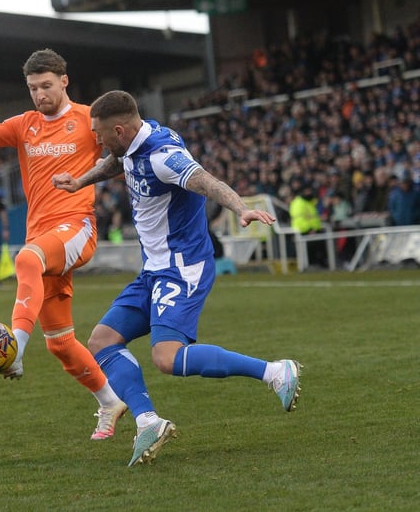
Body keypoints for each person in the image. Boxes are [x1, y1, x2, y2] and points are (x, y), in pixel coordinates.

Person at [52, 90, 302, 467]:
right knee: (102, 341)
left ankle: (274, 372)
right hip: (153, 268)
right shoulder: (133, 143)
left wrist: (242, 208)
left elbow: (206, 181)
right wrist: (81, 181)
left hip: (182, 268)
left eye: (100, 135)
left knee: (165, 357)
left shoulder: (163, 156)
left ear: (119, 129)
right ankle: (148, 421)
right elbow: (114, 164)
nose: (97, 142)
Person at [0, 49, 127, 440]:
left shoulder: (88, 120)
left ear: (64, 81)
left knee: (25, 259)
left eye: (46, 85)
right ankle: (110, 403)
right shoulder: (24, 125)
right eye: (32, 88)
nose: (39, 94)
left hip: (76, 228)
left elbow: (124, 147)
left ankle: (14, 350)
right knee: (61, 343)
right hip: (42, 237)